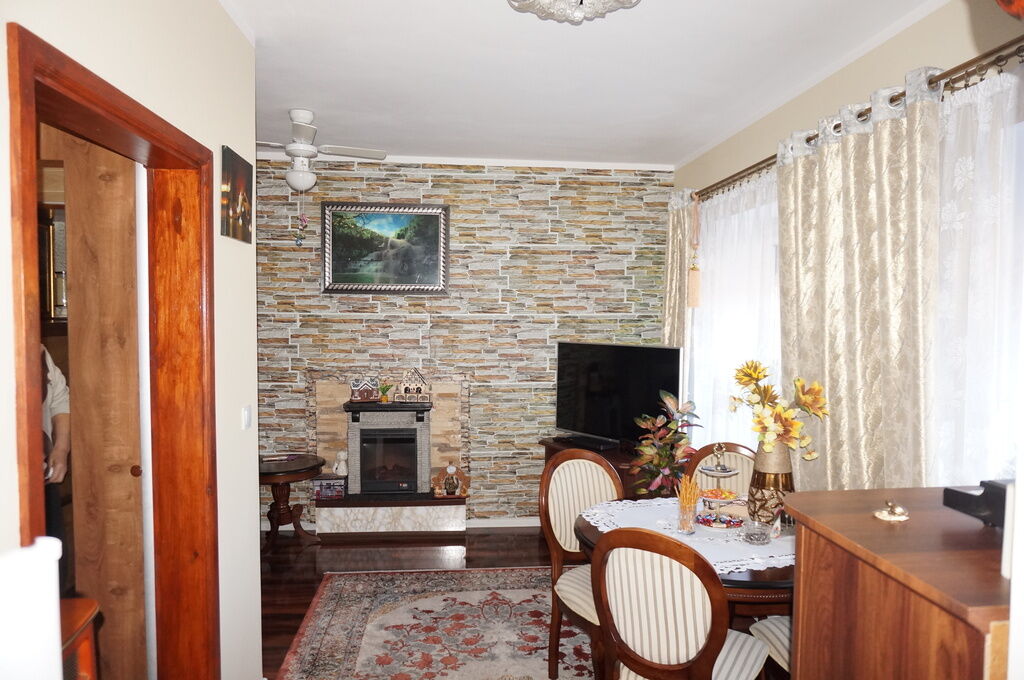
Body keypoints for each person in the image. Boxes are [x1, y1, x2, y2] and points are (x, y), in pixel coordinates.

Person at [41, 345, 70, 590]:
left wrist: (61, 448)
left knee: (53, 571)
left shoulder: (36, 351)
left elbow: (59, 398)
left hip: (41, 481)